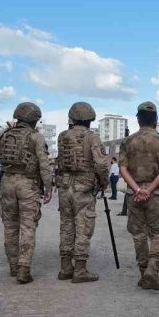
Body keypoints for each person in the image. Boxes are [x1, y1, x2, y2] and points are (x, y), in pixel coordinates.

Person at [0, 102, 53, 284]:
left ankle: (13, 266)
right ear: (35, 120)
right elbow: (44, 164)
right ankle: (24, 268)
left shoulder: (3, 135)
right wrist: (48, 187)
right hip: (28, 184)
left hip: (7, 182)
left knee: (10, 226)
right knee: (28, 226)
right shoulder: (36, 137)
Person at [119, 101, 159, 290]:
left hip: (133, 195)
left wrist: (136, 189)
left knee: (138, 234)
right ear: (156, 120)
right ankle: (152, 269)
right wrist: (149, 190)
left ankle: (143, 272)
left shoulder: (128, 141)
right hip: (155, 194)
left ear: (138, 119)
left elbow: (122, 168)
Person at [55, 101, 110, 283]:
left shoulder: (63, 136)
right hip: (84, 188)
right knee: (83, 227)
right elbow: (101, 164)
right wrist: (104, 182)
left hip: (64, 187)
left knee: (66, 226)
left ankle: (65, 267)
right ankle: (80, 269)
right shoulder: (91, 137)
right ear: (90, 119)